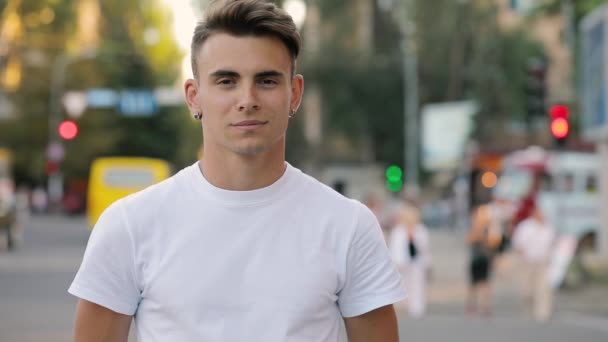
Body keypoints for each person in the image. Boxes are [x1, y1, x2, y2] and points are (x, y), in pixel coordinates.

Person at [68, 1, 406, 341]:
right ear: (194, 96)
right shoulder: (129, 225)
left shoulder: (348, 226)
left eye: (267, 81)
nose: (247, 99)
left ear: (295, 93)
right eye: (227, 81)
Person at [512, 205, 555, 322]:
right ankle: (527, 309)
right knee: (526, 289)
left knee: (543, 288)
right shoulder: (525, 227)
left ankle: (542, 312)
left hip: (542, 261)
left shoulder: (547, 227)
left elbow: (551, 244)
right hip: (527, 261)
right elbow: (518, 243)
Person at [389, 203, 431, 318]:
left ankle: (417, 307)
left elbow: (425, 248)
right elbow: (394, 248)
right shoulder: (398, 231)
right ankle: (404, 304)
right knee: (404, 285)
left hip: (417, 263)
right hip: (402, 263)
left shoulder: (420, 230)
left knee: (418, 284)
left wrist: (413, 237)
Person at [465, 199, 505, 316]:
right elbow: (469, 240)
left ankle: (485, 306)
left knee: (485, 283)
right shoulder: (474, 227)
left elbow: (495, 243)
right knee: (473, 284)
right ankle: (472, 305)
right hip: (475, 258)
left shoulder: (490, 228)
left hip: (485, 258)